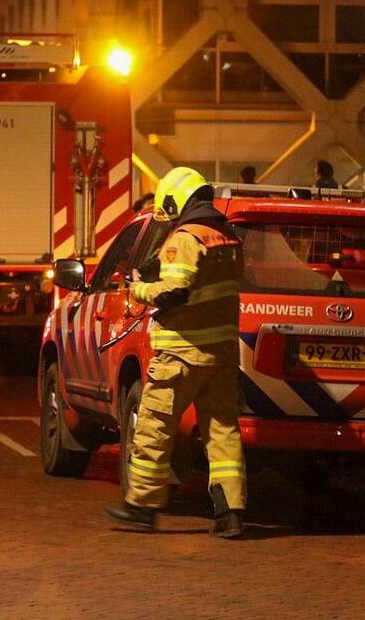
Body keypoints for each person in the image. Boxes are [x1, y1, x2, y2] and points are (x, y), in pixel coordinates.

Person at [105, 166, 247, 539]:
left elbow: (173, 292)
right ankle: (230, 513)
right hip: (221, 357)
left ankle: (141, 508)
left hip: (181, 356)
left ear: (177, 200)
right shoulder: (228, 239)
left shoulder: (183, 238)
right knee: (223, 434)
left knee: (153, 429)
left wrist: (138, 290)